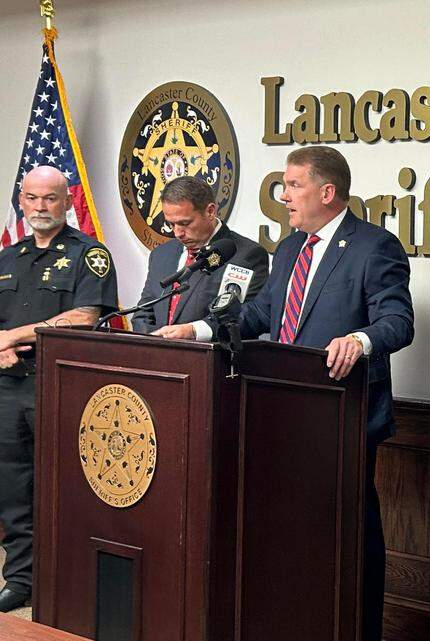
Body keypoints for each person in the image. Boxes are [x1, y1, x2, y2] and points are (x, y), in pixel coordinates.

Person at [155, 146, 413, 640]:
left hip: (342, 418)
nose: (285, 195)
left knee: (348, 538)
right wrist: (199, 332)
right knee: (292, 540)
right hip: (282, 414)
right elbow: (260, 316)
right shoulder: (291, 248)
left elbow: (398, 322)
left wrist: (358, 340)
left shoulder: (373, 246)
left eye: (293, 185)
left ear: (327, 191)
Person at [0, 165, 119, 612]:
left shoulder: (90, 254)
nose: (39, 207)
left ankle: (69, 580)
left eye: (49, 198)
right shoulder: (8, 258)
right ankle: (21, 579)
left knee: (66, 486)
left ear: (68, 201)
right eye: (31, 198)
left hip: (60, 387)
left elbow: (83, 317)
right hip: (9, 387)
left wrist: (13, 336)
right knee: (13, 489)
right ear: (21, 200)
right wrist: (2, 349)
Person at [132, 175, 268, 333]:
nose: (177, 233)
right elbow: (144, 312)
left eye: (185, 223)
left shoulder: (247, 255)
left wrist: (194, 332)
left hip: (210, 355)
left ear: (210, 211)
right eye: (171, 224)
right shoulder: (161, 254)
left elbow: (243, 318)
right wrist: (153, 344)